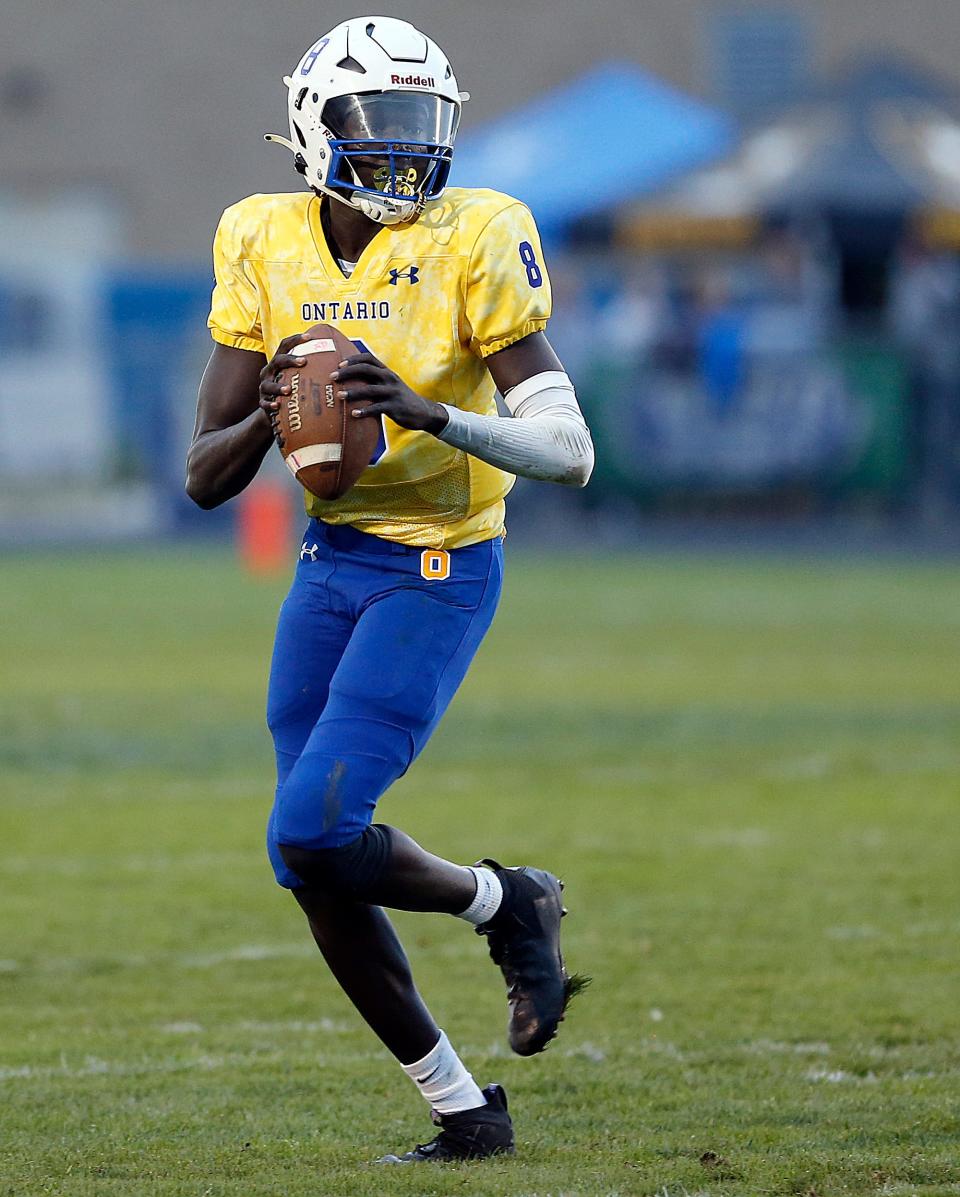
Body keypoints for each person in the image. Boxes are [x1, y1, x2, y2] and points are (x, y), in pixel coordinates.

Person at [186, 15, 594, 1164]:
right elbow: (203, 475)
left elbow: (571, 451)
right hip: (331, 563)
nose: (407, 154)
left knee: (316, 827)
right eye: (380, 127)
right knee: (303, 851)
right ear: (313, 129)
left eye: (424, 126)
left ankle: (506, 902)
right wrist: (280, 411)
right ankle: (465, 1104)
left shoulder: (479, 233)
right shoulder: (260, 238)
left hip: (441, 561)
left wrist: (430, 412)